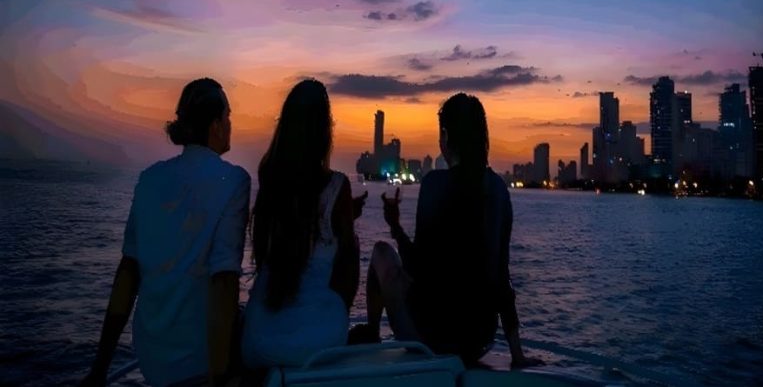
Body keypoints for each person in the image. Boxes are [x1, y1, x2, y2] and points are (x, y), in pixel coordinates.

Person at [81, 78, 251, 387]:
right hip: (199, 359)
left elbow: (127, 273)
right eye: (228, 116)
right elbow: (224, 281)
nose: (230, 124)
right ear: (215, 125)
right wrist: (220, 377)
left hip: (151, 357)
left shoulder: (150, 179)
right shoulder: (234, 181)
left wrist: (100, 368)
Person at [365, 92, 542, 367]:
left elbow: (417, 269)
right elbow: (501, 278)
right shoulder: (498, 189)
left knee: (381, 253)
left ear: (445, 137)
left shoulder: (435, 184)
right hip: (479, 341)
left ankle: (371, 341)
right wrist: (516, 353)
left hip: (430, 340)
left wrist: (395, 226)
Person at [241, 79, 359, 369]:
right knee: (351, 245)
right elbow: (346, 272)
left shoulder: (269, 177)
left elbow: (263, 252)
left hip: (260, 341)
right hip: (317, 344)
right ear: (324, 130)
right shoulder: (337, 186)